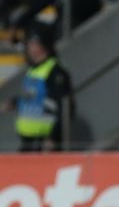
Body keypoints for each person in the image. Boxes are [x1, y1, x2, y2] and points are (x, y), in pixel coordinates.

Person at [3, 24, 74, 152]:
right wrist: (15, 102)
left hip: (44, 142)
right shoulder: (33, 69)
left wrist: (52, 137)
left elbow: (65, 108)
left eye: (33, 43)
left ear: (43, 45)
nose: (29, 48)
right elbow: (33, 97)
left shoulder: (55, 72)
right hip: (27, 141)